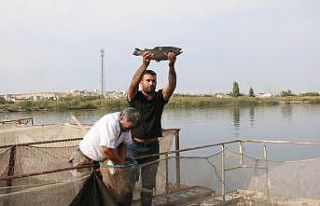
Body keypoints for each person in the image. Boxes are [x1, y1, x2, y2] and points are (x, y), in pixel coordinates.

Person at [127, 51, 178, 206]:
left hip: (152, 148)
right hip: (134, 147)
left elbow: (172, 85)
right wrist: (144, 64)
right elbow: (132, 84)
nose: (151, 83)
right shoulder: (135, 98)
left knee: (148, 186)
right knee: (128, 184)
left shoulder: (159, 98)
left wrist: (171, 65)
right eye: (148, 80)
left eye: (153, 81)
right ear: (142, 83)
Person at [68, 107, 140, 176]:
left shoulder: (127, 127)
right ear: (121, 118)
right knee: (82, 187)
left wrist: (122, 161)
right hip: (84, 159)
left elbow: (124, 144)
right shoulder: (111, 122)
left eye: (131, 128)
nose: (129, 130)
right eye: (127, 128)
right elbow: (107, 149)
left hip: (99, 162)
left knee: (98, 187)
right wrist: (120, 163)